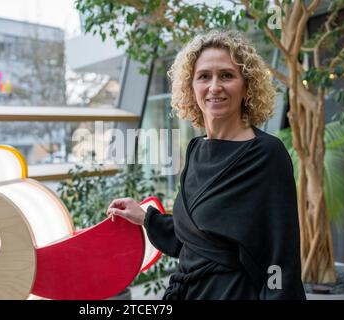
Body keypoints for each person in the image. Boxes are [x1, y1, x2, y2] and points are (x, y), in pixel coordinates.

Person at [106, 30, 306, 300]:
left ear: (247, 86)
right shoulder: (196, 149)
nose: (214, 87)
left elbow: (280, 256)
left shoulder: (267, 154)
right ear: (191, 88)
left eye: (226, 75)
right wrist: (146, 217)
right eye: (204, 76)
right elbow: (191, 239)